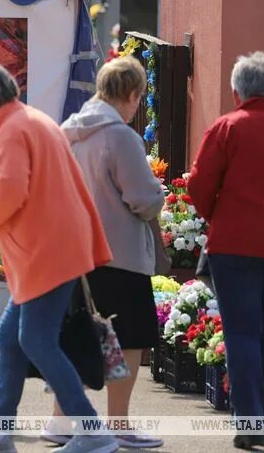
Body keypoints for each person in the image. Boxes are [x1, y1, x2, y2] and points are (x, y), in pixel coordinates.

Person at [0, 62, 116, 453]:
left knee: (35, 341)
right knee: (12, 336)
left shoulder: (13, 129)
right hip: (54, 248)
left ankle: (92, 429)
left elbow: (8, 192)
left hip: (46, 252)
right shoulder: (31, 120)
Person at [50, 56, 165, 449]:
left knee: (75, 334)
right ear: (132, 95)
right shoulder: (121, 137)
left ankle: (60, 421)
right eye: (139, 98)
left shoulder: (67, 132)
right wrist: (159, 193)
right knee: (131, 337)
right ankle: (119, 423)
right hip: (120, 253)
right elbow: (144, 200)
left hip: (73, 251)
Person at [188, 51, 264, 451]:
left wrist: (216, 215)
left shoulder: (227, 127)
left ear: (236, 90)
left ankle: (252, 423)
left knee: (242, 334)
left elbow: (199, 185)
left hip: (234, 246)